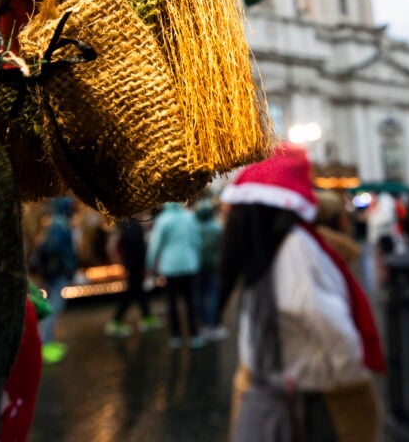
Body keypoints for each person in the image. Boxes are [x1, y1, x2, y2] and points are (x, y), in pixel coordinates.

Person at [221, 145, 385, 442]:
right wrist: (352, 377)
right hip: (310, 390)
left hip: (281, 382)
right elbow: (319, 316)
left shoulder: (268, 247)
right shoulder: (292, 246)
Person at [146, 201, 205, 348]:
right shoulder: (189, 217)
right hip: (189, 264)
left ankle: (176, 336)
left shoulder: (163, 220)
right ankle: (194, 335)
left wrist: (149, 265)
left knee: (171, 302)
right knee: (191, 301)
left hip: (169, 266)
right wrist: (198, 258)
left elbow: (155, 245)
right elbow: (196, 240)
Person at [30, 198, 78, 363]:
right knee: (54, 307)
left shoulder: (53, 224)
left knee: (53, 305)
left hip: (52, 273)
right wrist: (67, 265)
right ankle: (44, 344)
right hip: (57, 273)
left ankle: (47, 342)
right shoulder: (60, 226)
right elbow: (58, 249)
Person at [105, 215, 161, 336]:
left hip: (131, 264)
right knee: (131, 293)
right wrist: (144, 264)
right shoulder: (134, 226)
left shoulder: (127, 224)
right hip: (135, 265)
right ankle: (116, 321)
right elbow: (137, 247)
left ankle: (147, 317)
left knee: (138, 292)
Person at [194, 198, 227, 339]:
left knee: (200, 295)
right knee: (212, 294)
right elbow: (223, 246)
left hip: (198, 265)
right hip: (213, 265)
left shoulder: (194, 228)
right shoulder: (216, 228)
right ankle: (212, 324)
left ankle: (202, 324)